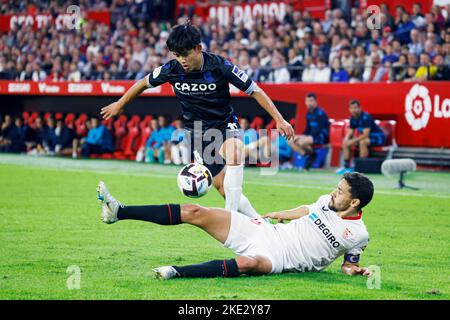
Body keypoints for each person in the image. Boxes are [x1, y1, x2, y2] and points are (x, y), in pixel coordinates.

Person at [100, 22, 294, 218]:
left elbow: (255, 90)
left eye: (185, 54)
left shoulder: (220, 65)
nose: (181, 60)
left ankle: (231, 221)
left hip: (224, 125)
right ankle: (260, 222)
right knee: (223, 188)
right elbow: (142, 83)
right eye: (176, 55)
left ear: (198, 48)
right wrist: (120, 104)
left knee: (235, 154)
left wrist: (280, 119)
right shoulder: (171, 69)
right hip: (199, 133)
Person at [96, 172, 373, 279]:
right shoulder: (327, 201)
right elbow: (307, 210)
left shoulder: (358, 234)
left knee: (248, 265)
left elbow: (348, 264)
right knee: (196, 210)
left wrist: (354, 270)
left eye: (340, 192)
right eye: (336, 188)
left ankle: (175, 272)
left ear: (354, 202)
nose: (333, 193)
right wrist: (282, 213)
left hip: (281, 258)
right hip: (268, 232)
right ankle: (119, 211)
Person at [336, 100, 386, 174]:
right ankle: (346, 166)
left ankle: (362, 167)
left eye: (355, 108)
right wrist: (346, 140)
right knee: (346, 142)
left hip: (378, 137)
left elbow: (365, 134)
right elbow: (350, 132)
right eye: (352, 108)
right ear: (349, 109)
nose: (354, 110)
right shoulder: (352, 118)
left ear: (360, 108)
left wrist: (352, 141)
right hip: (365, 137)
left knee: (363, 142)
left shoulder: (366, 117)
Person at [288, 93, 329, 170]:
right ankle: (308, 155)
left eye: (311, 101)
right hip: (311, 136)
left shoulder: (321, 113)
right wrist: (301, 136)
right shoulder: (308, 114)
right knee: (290, 140)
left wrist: (304, 138)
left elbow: (318, 130)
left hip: (321, 137)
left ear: (316, 101)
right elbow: (308, 129)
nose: (309, 103)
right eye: (307, 101)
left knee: (301, 142)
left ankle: (311, 155)